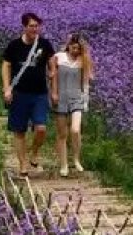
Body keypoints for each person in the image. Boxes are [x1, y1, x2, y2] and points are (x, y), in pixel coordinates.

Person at [1, 13, 56, 177]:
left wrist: (53, 78)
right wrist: (7, 88)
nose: (35, 29)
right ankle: (23, 163)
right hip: (20, 93)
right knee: (19, 131)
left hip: (39, 93)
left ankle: (35, 152)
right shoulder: (14, 45)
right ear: (24, 27)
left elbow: (52, 64)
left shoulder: (44, 44)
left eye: (37, 26)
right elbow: (6, 66)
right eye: (31, 26)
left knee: (41, 128)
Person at [50, 33, 94, 177]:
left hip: (77, 99)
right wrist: (54, 93)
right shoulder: (59, 57)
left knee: (75, 130)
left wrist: (85, 101)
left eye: (78, 49)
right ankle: (63, 164)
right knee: (62, 134)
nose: (75, 51)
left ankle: (76, 158)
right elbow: (53, 77)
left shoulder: (83, 61)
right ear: (68, 46)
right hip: (61, 98)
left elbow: (85, 82)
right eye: (73, 48)